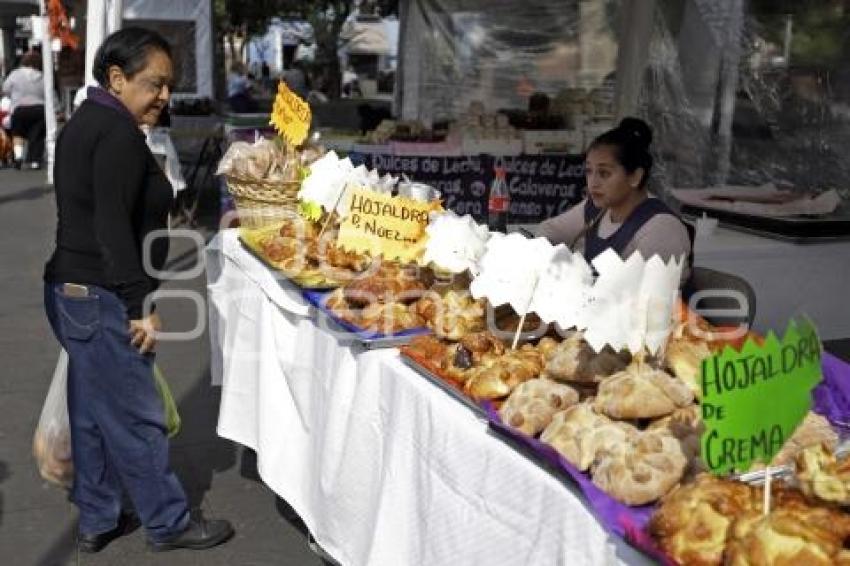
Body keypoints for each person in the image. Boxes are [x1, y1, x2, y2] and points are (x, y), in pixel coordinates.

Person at [43, 28, 233, 553]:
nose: (165, 97)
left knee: (93, 412)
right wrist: (138, 309)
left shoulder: (89, 121)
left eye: (169, 85)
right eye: (156, 84)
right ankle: (168, 522)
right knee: (137, 415)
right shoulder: (118, 134)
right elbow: (111, 229)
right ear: (118, 78)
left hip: (72, 289)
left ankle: (98, 516)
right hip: (99, 294)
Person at [539, 117, 693, 284]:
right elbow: (547, 232)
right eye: (589, 171)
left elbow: (644, 296)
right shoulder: (598, 209)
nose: (593, 182)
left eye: (604, 173)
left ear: (635, 176)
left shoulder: (662, 229)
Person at [2, 50, 47, 168]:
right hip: (39, 109)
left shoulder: (15, 74)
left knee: (18, 133)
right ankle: (35, 161)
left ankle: (18, 157)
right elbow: (50, 93)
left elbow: (5, 89)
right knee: (37, 135)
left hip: (19, 108)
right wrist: (57, 109)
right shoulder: (42, 76)